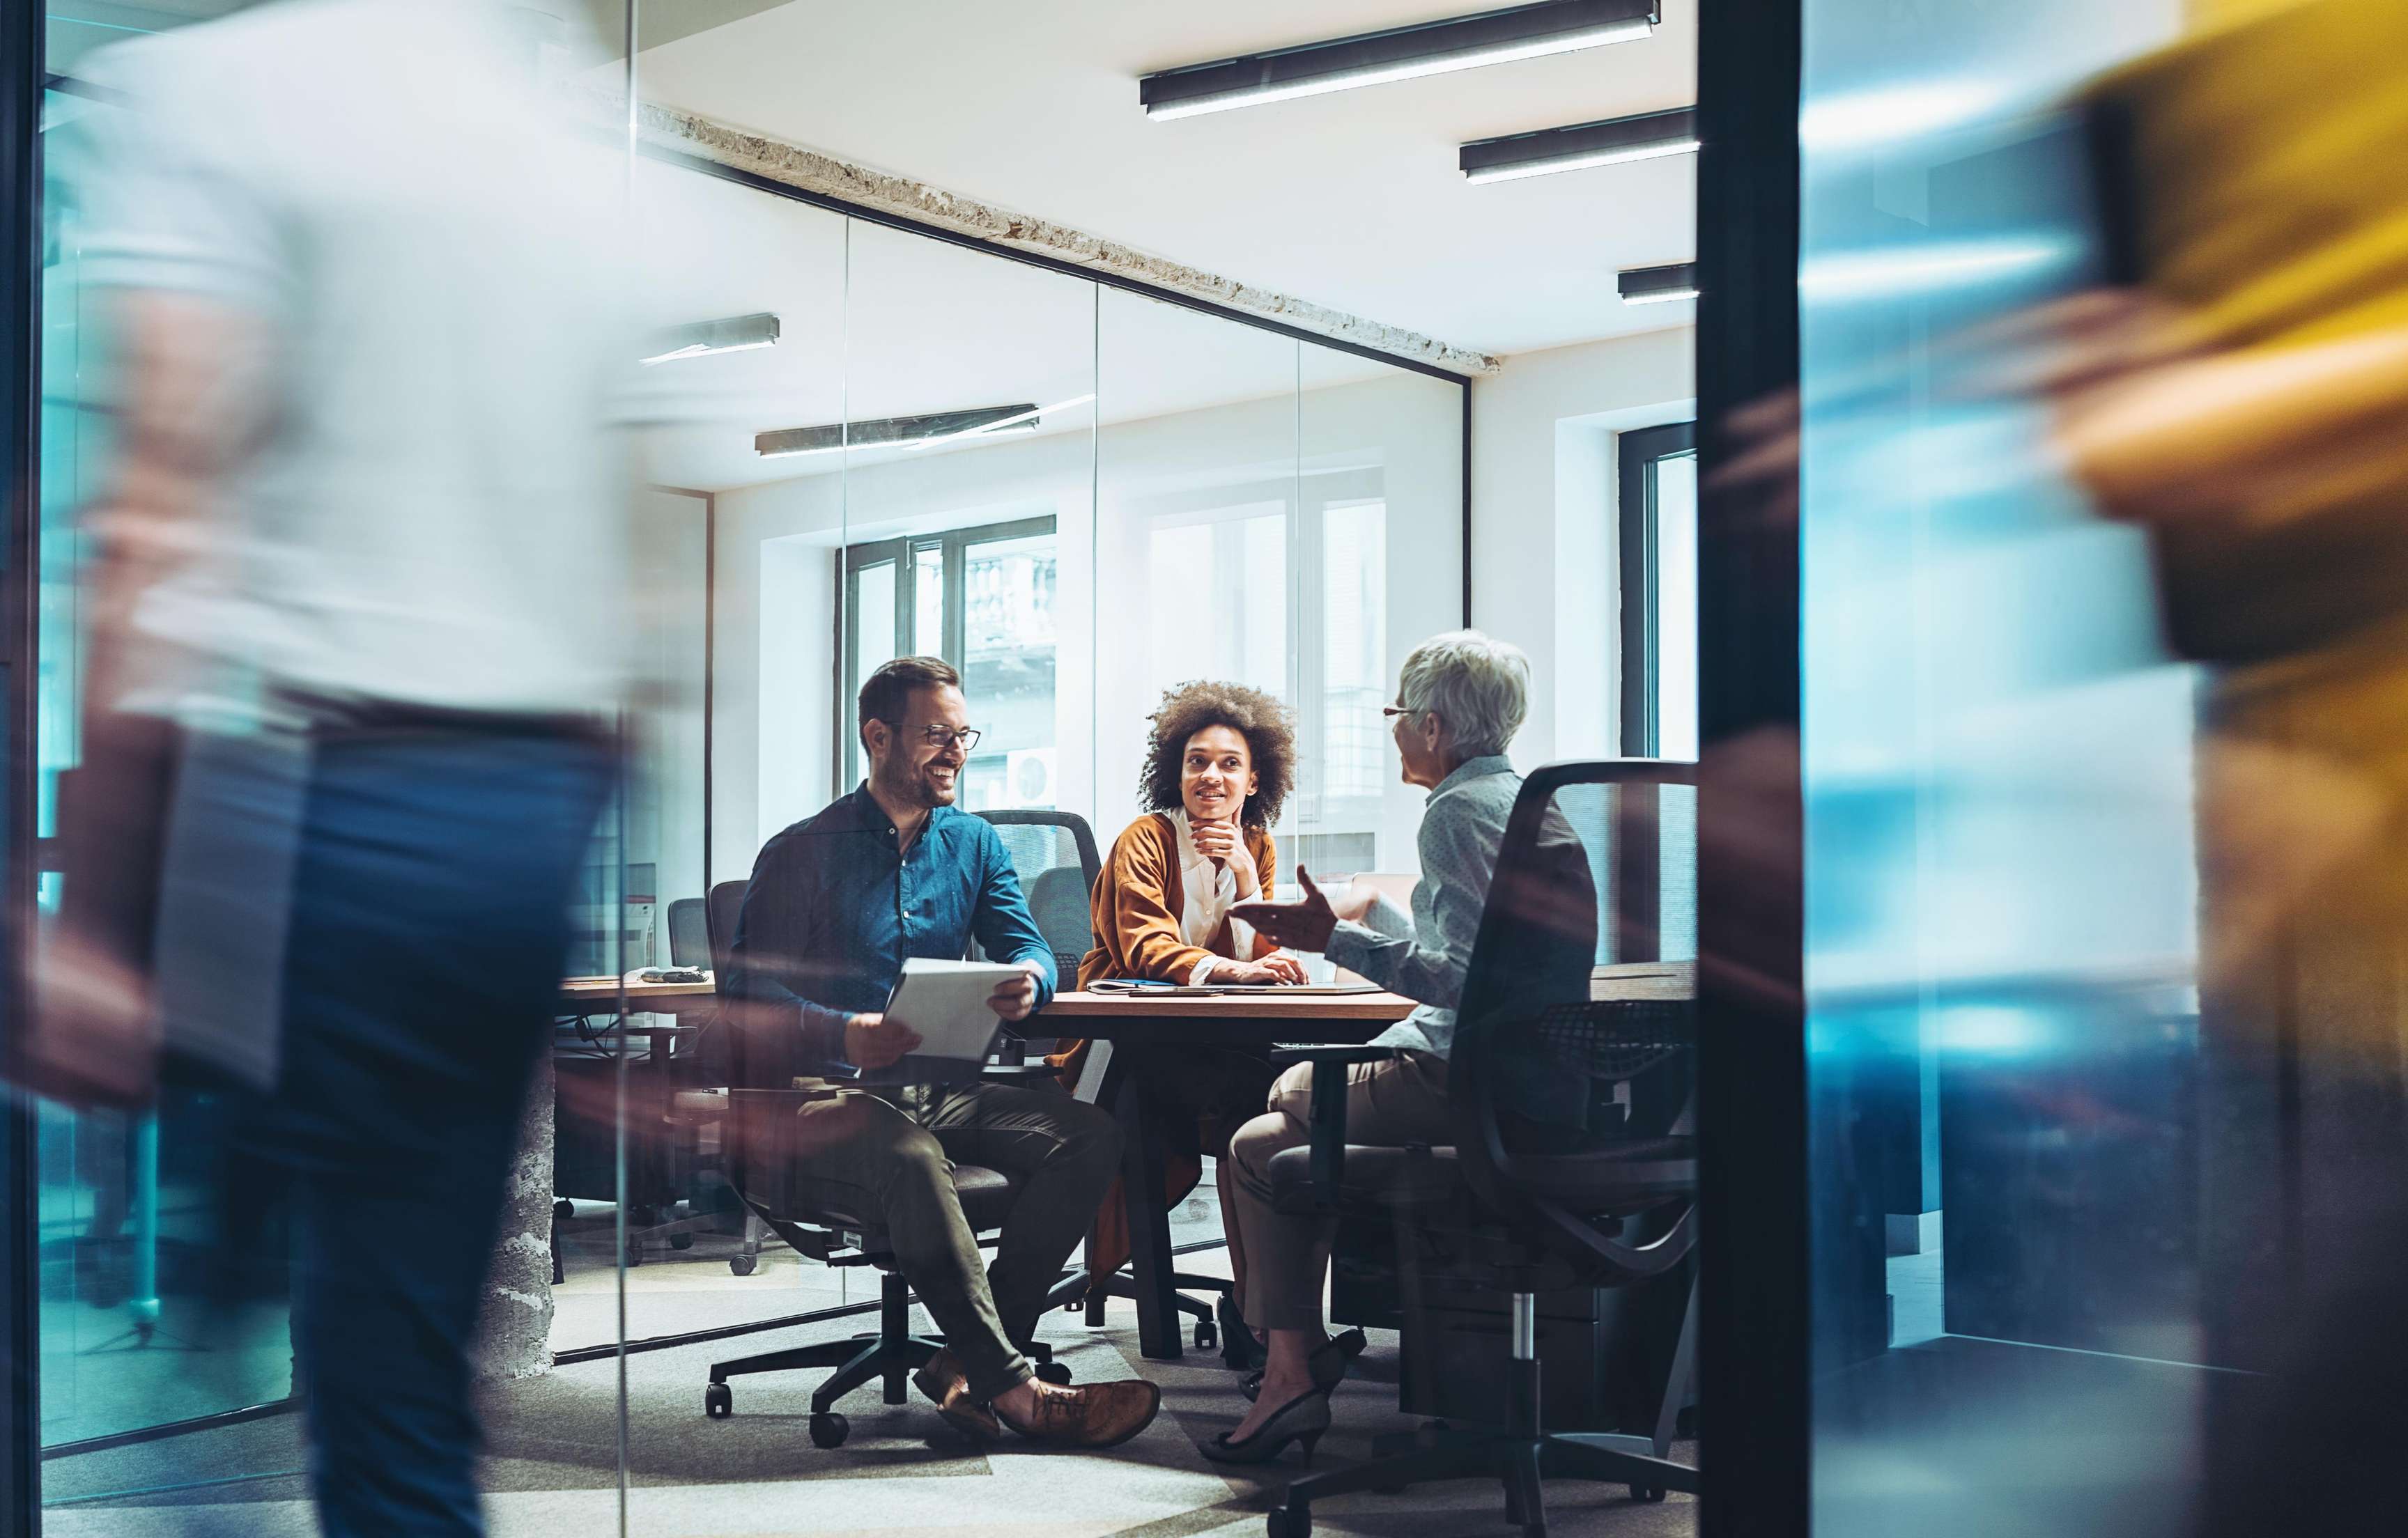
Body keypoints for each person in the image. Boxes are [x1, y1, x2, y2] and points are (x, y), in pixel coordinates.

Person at [29, 4, 633, 1534]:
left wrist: (96, 916)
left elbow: (160, 506)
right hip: (522, 805)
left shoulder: (213, 90)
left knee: (224, 1386)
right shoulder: (564, 131)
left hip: (323, 801)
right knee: (394, 1399)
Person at [709, 655, 1161, 1449]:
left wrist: (1029, 980)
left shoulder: (975, 844)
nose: (955, 751)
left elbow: (1033, 949)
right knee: (912, 1157)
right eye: (935, 735)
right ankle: (1018, 1393)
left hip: (938, 1089)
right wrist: (843, 1030)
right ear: (877, 737)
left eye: (962, 735)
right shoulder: (802, 851)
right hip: (819, 1099)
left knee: (1089, 1135)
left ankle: (965, 1360)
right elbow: (746, 1000)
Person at [1208, 630, 1534, 1463]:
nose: (1391, 730)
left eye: (1396, 714)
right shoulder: (1530, 802)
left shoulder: (1456, 812)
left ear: (1432, 726)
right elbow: (1487, 953)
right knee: (1260, 1148)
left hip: (1454, 1078)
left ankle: (1293, 1374)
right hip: (1520, 1081)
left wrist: (1332, 943)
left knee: (1285, 1096)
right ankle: (1292, 1367)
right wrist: (1362, 917)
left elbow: (1465, 981)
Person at [1060, 681, 1306, 1317]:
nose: (1211, 776)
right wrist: (1234, 968)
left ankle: (1262, 1306)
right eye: (1198, 761)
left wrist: (1250, 881)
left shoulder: (1257, 844)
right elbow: (1145, 947)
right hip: (1123, 1042)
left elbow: (1261, 956)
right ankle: (1261, 1314)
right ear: (1178, 770)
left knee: (1268, 1099)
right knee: (1245, 1102)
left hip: (1205, 1037)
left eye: (1230, 764)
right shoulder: (1146, 838)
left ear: (1254, 782)